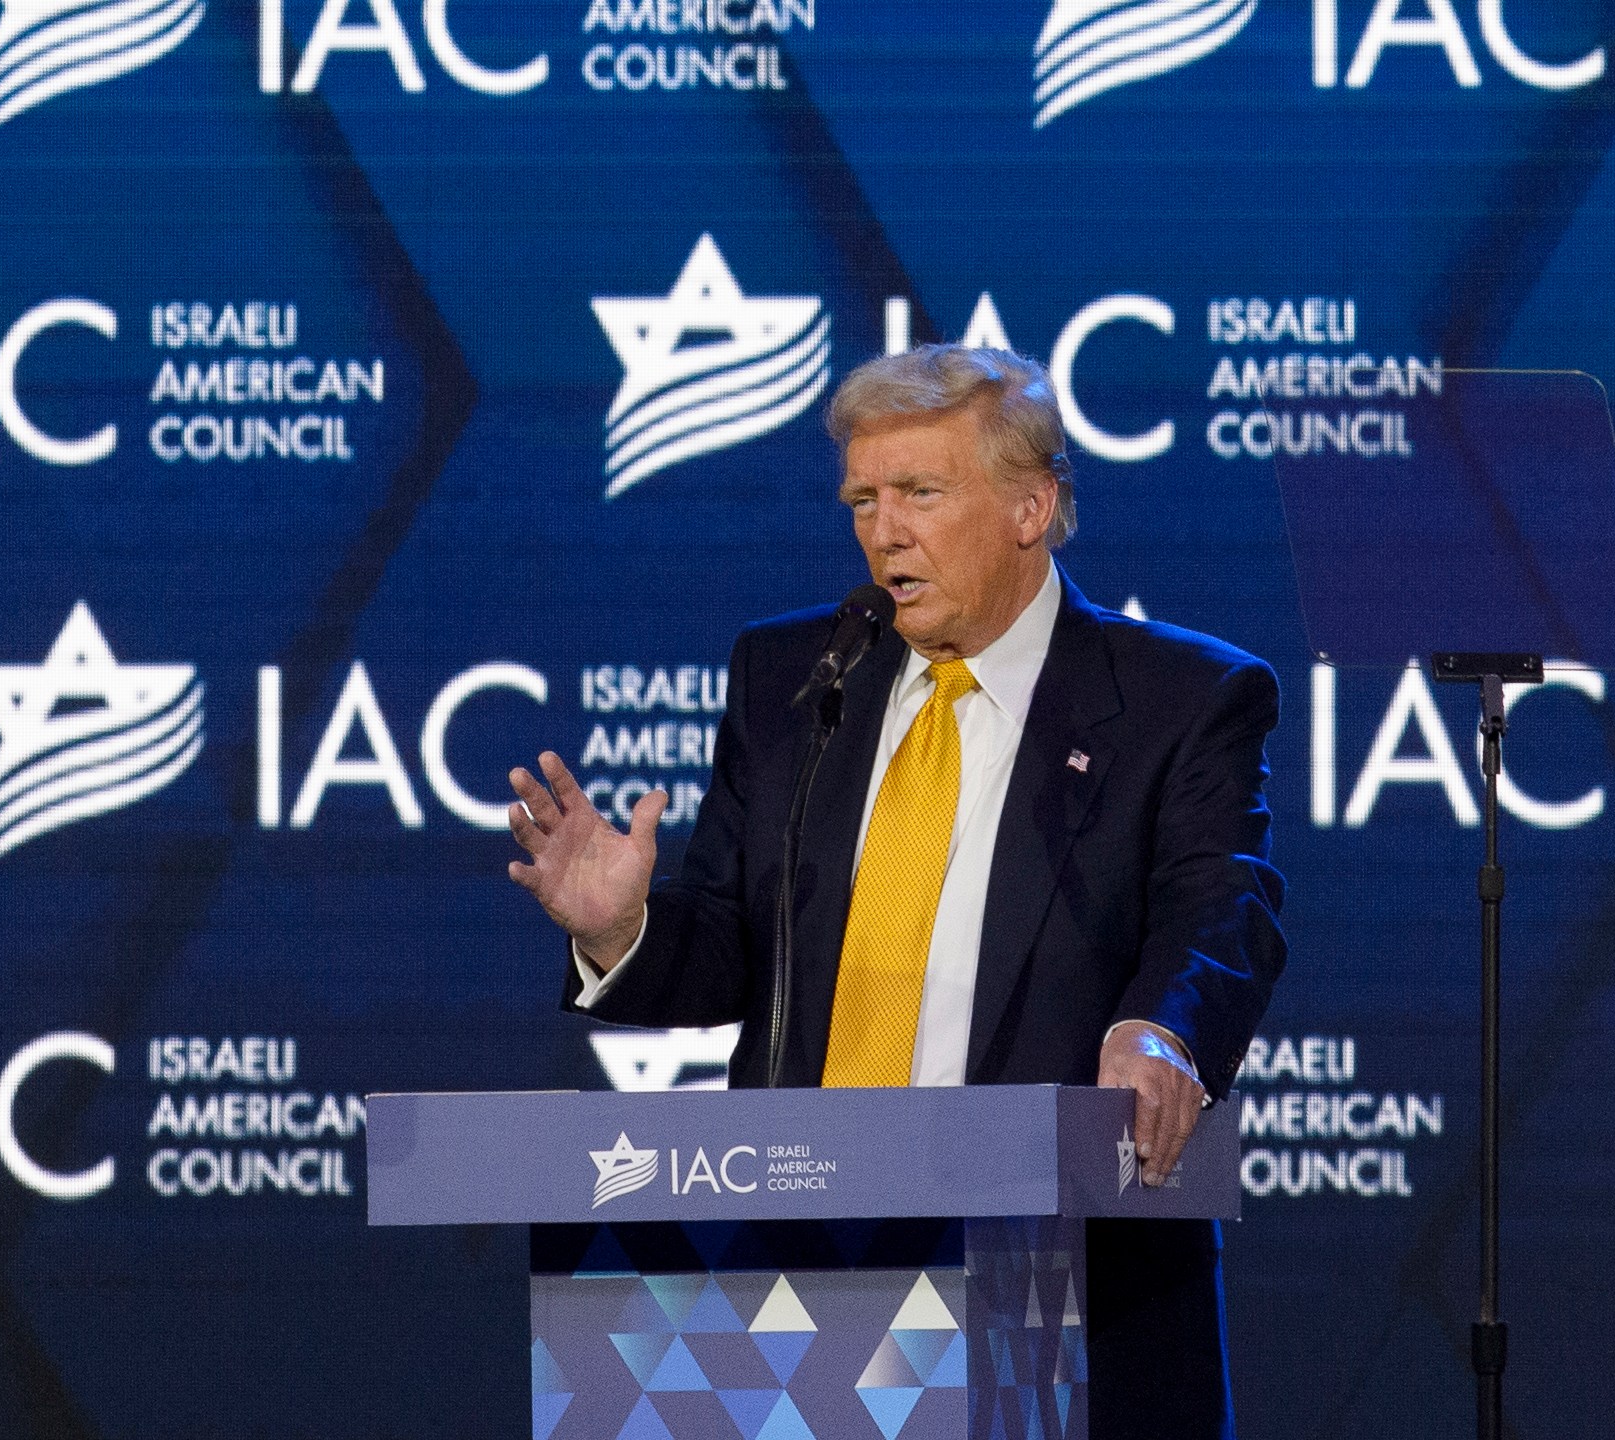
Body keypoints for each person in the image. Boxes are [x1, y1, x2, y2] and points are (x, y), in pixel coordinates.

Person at [506, 344, 1285, 1438]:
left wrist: (1161, 1031)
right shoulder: (796, 678)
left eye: (920, 492)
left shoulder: (1182, 699)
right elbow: (735, 944)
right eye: (863, 498)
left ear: (1032, 505)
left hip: (1058, 1284)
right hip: (796, 1288)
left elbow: (1221, 911)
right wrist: (625, 929)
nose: (884, 530)